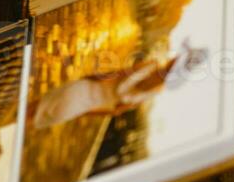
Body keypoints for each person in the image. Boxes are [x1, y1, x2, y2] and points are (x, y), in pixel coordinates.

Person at [28, 42, 207, 131]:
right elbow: (115, 111)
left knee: (30, 108)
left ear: (174, 60)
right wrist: (84, 111)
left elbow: (113, 74)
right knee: (31, 121)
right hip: (81, 106)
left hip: (83, 89)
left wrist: (86, 77)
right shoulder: (153, 93)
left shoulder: (150, 65)